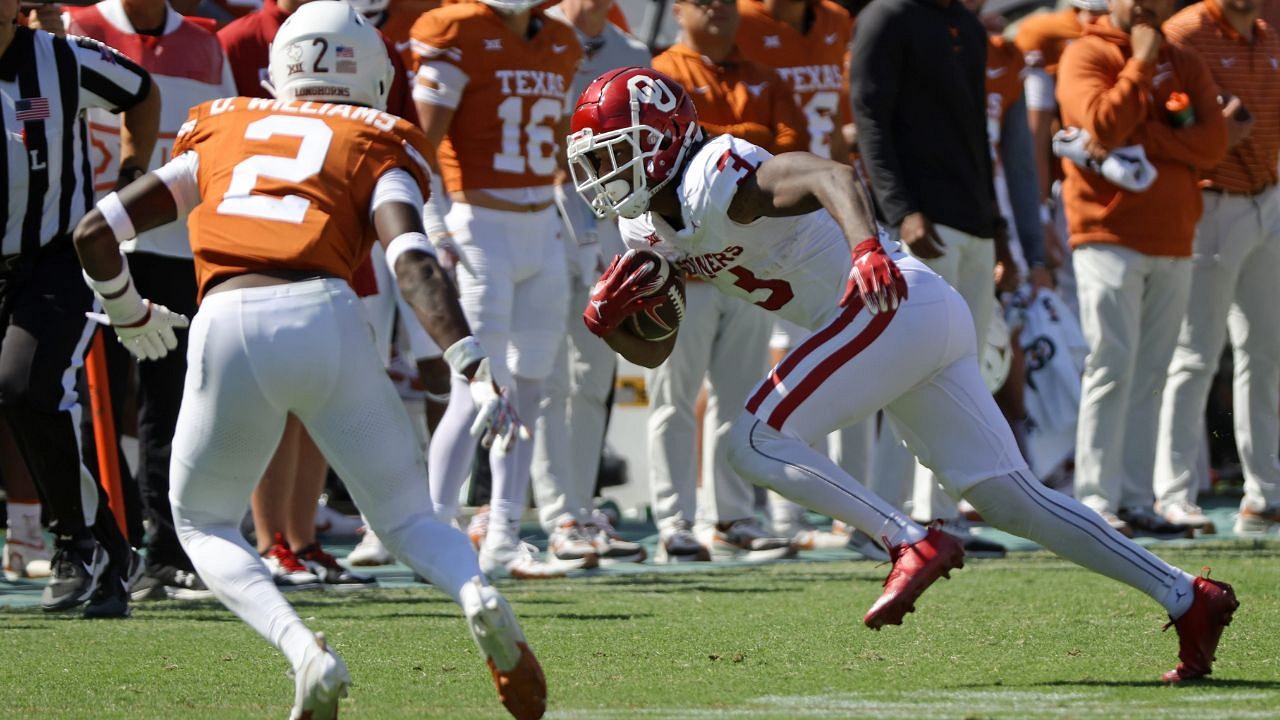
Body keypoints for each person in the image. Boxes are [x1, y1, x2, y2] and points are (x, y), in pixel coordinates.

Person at [569, 65, 1237, 683]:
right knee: (1010, 499)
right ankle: (1188, 597)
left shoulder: (716, 172)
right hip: (910, 319)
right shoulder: (647, 228)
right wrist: (614, 324)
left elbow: (834, 175)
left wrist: (864, 248)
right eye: (593, 161)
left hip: (885, 301)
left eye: (609, 152)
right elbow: (655, 352)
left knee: (752, 439)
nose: (601, 173)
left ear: (659, 138)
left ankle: (908, 539)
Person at [70, 4, 546, 718]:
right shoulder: (376, 136)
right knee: (409, 518)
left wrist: (129, 312)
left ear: (282, 68)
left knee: (203, 523)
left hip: (226, 318)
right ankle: (476, 593)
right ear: (373, 73)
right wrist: (470, 361)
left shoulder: (224, 126)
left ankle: (306, 652)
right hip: (325, 314)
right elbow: (410, 259)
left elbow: (95, 232)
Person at [219, 0, 418, 590]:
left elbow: (398, 135)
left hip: (343, 234)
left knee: (322, 400)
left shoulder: (369, 38)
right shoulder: (237, 40)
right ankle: (269, 540)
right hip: (273, 235)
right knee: (275, 402)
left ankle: (301, 539)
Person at [66, 0, 238, 602]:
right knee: (94, 404)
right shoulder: (75, 28)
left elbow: (223, 142)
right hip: (93, 243)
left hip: (174, 246)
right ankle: (97, 545)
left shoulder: (204, 42)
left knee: (174, 399)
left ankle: (165, 550)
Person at [410, 0, 584, 578]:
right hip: (478, 226)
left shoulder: (560, 40)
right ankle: (432, 531)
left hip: (542, 224)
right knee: (476, 388)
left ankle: (504, 535)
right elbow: (420, 146)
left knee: (530, 391)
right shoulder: (455, 30)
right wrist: (432, 225)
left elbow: (561, 148)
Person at [0, 1, 159, 618]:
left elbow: (141, 93)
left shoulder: (64, 59)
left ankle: (74, 543)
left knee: (27, 388)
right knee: (28, 402)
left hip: (52, 260)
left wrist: (132, 173)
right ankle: (110, 550)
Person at [1056, 0, 1228, 536]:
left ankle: (1134, 499)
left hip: (1175, 235)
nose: (1148, 4)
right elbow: (1104, 126)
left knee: (1152, 371)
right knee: (1112, 363)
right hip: (1107, 237)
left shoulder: (1185, 60)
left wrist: (1149, 138)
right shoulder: (1086, 52)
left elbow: (1216, 144)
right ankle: (1095, 498)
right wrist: (1140, 61)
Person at [849, 0, 1012, 557]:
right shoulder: (885, 16)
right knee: (902, 374)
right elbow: (868, 118)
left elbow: (973, 134)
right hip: (920, 222)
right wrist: (900, 210)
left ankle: (941, 519)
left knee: (962, 377)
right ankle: (884, 522)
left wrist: (997, 227)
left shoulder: (966, 25)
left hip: (971, 220)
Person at [645, 0, 806, 562]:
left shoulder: (765, 76)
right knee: (673, 397)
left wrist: (720, 142)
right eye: (702, 0)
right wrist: (738, 142)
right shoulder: (662, 73)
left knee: (740, 398)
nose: (717, 9)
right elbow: (656, 158)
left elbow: (788, 154)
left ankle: (734, 514)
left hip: (746, 261)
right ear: (679, 11)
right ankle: (673, 519)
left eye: (725, 0)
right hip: (683, 263)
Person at [528, 0, 652, 566]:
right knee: (549, 374)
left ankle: (580, 504)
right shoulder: (536, 36)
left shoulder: (632, 52)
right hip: (546, 214)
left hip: (610, 218)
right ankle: (558, 514)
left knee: (597, 370)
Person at [1156, 0, 1280, 535]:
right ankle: (1175, 494)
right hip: (1208, 204)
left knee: (1266, 352)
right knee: (1194, 354)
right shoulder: (1184, 33)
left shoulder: (1269, 27)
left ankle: (1264, 493)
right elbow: (1171, 121)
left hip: (1268, 199)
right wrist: (1212, 130)